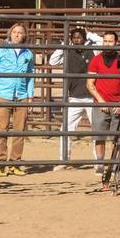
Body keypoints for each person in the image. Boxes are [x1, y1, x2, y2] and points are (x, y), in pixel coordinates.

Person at [0, 23, 35, 177]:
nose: (17, 35)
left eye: (20, 32)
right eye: (14, 32)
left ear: (24, 35)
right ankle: (1, 164)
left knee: (20, 132)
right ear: (10, 33)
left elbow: (30, 76)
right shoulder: (0, 50)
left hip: (21, 96)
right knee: (2, 130)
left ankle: (15, 163)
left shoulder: (28, 54)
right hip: (3, 95)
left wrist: (30, 96)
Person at [48, 28, 96, 169]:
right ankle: (64, 160)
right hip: (74, 97)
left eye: (79, 37)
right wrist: (64, 44)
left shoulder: (94, 49)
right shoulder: (67, 51)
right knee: (66, 129)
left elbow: (101, 42)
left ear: (84, 38)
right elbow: (52, 61)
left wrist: (91, 35)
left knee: (97, 130)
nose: (76, 40)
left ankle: (98, 161)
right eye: (74, 37)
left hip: (92, 97)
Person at [87, 31, 120, 175]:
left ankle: (116, 164)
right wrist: (100, 101)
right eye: (105, 41)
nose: (107, 44)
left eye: (110, 41)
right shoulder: (96, 60)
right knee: (99, 136)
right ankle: (100, 163)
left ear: (116, 43)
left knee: (118, 137)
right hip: (100, 103)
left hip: (117, 103)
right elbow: (90, 84)